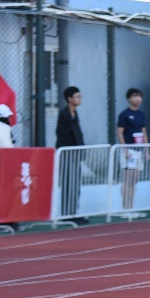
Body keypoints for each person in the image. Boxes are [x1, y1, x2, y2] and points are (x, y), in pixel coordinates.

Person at [55, 86, 86, 221]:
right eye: (77, 96)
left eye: (80, 96)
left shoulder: (75, 114)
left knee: (75, 184)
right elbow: (61, 135)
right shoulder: (64, 115)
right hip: (68, 154)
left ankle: (73, 212)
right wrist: (69, 150)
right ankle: (67, 214)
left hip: (75, 154)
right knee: (69, 183)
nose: (80, 99)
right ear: (69, 99)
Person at [117, 87, 149, 210]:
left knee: (135, 179)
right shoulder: (124, 115)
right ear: (129, 99)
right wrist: (125, 150)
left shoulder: (141, 114)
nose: (138, 99)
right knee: (128, 179)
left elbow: (144, 132)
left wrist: (146, 150)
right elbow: (119, 133)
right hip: (129, 151)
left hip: (138, 151)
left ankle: (131, 206)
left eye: (139, 96)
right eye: (135, 96)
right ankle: (126, 207)